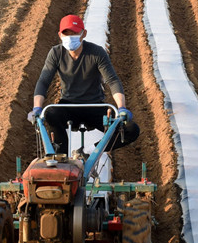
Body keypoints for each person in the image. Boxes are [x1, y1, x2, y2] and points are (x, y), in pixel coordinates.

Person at [28, 14, 140, 156]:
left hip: (94, 106)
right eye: (66, 33)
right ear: (60, 35)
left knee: (131, 130)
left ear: (83, 34)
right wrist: (37, 108)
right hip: (68, 105)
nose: (70, 37)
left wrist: (121, 108)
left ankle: (88, 151)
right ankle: (60, 158)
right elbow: (44, 81)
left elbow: (112, 80)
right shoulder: (56, 53)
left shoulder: (96, 53)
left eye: (74, 33)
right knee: (51, 114)